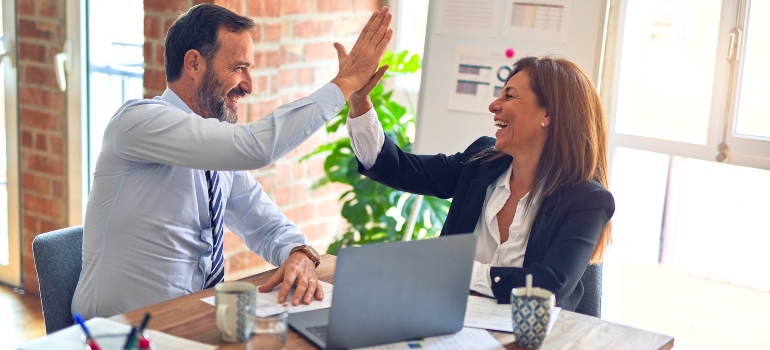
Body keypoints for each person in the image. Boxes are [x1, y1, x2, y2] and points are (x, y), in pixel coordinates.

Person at [72, 4, 393, 318]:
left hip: (189, 325)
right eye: (239, 67)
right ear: (194, 63)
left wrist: (299, 252)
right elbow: (256, 147)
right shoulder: (138, 122)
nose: (249, 86)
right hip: (116, 335)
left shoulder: (215, 153)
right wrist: (345, 83)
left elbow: (264, 222)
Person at [346, 56, 614, 311]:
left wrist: (457, 270)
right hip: (450, 324)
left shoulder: (587, 200)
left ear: (548, 114)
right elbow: (396, 168)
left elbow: (547, 286)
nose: (494, 105)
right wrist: (359, 101)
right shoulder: (480, 163)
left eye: (509, 96)